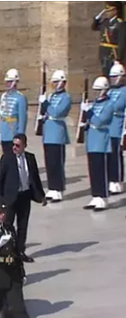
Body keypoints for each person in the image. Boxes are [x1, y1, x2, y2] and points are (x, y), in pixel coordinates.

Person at [0, 134, 46, 263]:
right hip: (10, 197)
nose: (14, 147)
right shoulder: (6, 158)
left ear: (24, 145)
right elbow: (0, 179)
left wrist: (41, 195)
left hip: (24, 196)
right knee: (8, 225)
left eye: (18, 145)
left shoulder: (30, 158)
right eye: (13, 144)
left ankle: (20, 251)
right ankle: (8, 252)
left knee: (23, 225)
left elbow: (35, 178)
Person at [79, 76, 114, 211]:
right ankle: (95, 195)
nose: (96, 92)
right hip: (92, 140)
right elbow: (90, 121)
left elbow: (100, 121)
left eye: (98, 90)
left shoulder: (109, 104)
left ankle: (103, 197)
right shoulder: (94, 104)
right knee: (92, 170)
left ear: (105, 90)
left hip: (101, 140)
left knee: (101, 170)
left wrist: (88, 112)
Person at [40, 70, 72, 202]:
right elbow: (48, 112)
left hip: (58, 133)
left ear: (63, 82)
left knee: (58, 163)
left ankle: (59, 188)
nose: (54, 85)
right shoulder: (52, 96)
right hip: (48, 132)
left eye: (56, 82)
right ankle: (52, 187)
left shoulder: (66, 98)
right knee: (50, 163)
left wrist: (46, 104)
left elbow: (57, 112)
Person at [0, 69, 28, 155]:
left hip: (13, 132)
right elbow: (2, 115)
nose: (7, 84)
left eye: (10, 81)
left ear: (15, 82)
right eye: (7, 81)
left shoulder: (20, 98)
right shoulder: (4, 96)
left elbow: (22, 119)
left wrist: (21, 136)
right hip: (4, 132)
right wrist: (0, 132)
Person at [91, 2, 126, 76]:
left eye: (109, 11)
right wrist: (97, 18)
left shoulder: (120, 23)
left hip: (113, 53)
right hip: (104, 52)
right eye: (106, 11)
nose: (107, 13)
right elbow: (94, 27)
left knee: (113, 74)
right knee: (105, 72)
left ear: (115, 11)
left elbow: (122, 42)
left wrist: (118, 58)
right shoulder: (105, 22)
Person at [107, 63, 126, 194]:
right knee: (108, 155)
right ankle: (110, 179)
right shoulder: (110, 91)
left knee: (116, 155)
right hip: (108, 127)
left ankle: (118, 180)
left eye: (115, 77)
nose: (113, 79)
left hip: (118, 126)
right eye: (111, 77)